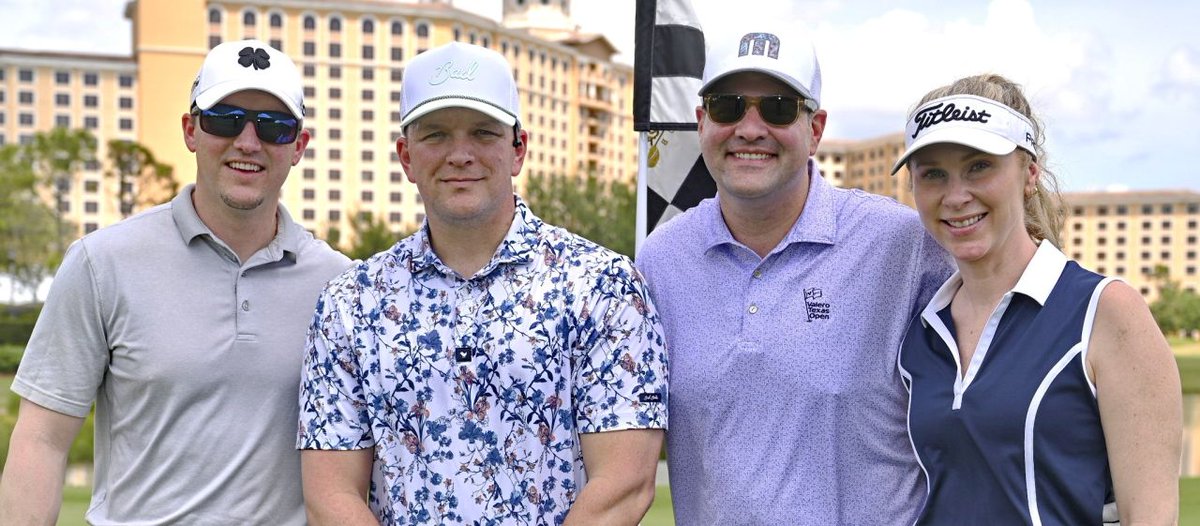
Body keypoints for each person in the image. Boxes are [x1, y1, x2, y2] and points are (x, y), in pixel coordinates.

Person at [297, 41, 668, 525]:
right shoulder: (350, 302)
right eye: (435, 135)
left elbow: (623, 484)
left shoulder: (603, 287)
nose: (461, 154)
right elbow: (331, 494)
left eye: (483, 132)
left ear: (518, 149)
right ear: (406, 156)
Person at [0, 39, 351, 524]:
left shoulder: (342, 286)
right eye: (225, 119)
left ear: (299, 147)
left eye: (274, 127)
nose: (248, 142)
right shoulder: (101, 262)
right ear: (191, 130)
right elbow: (41, 441)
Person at [634, 23, 954, 525]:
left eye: (779, 108)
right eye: (728, 106)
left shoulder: (904, 244)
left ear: (816, 128)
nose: (750, 128)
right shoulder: (660, 260)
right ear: (701, 121)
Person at [894, 74, 1182, 524]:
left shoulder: (1104, 311)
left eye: (979, 166)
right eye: (933, 174)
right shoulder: (921, 330)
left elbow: (1151, 516)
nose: (955, 196)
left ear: (1029, 174)